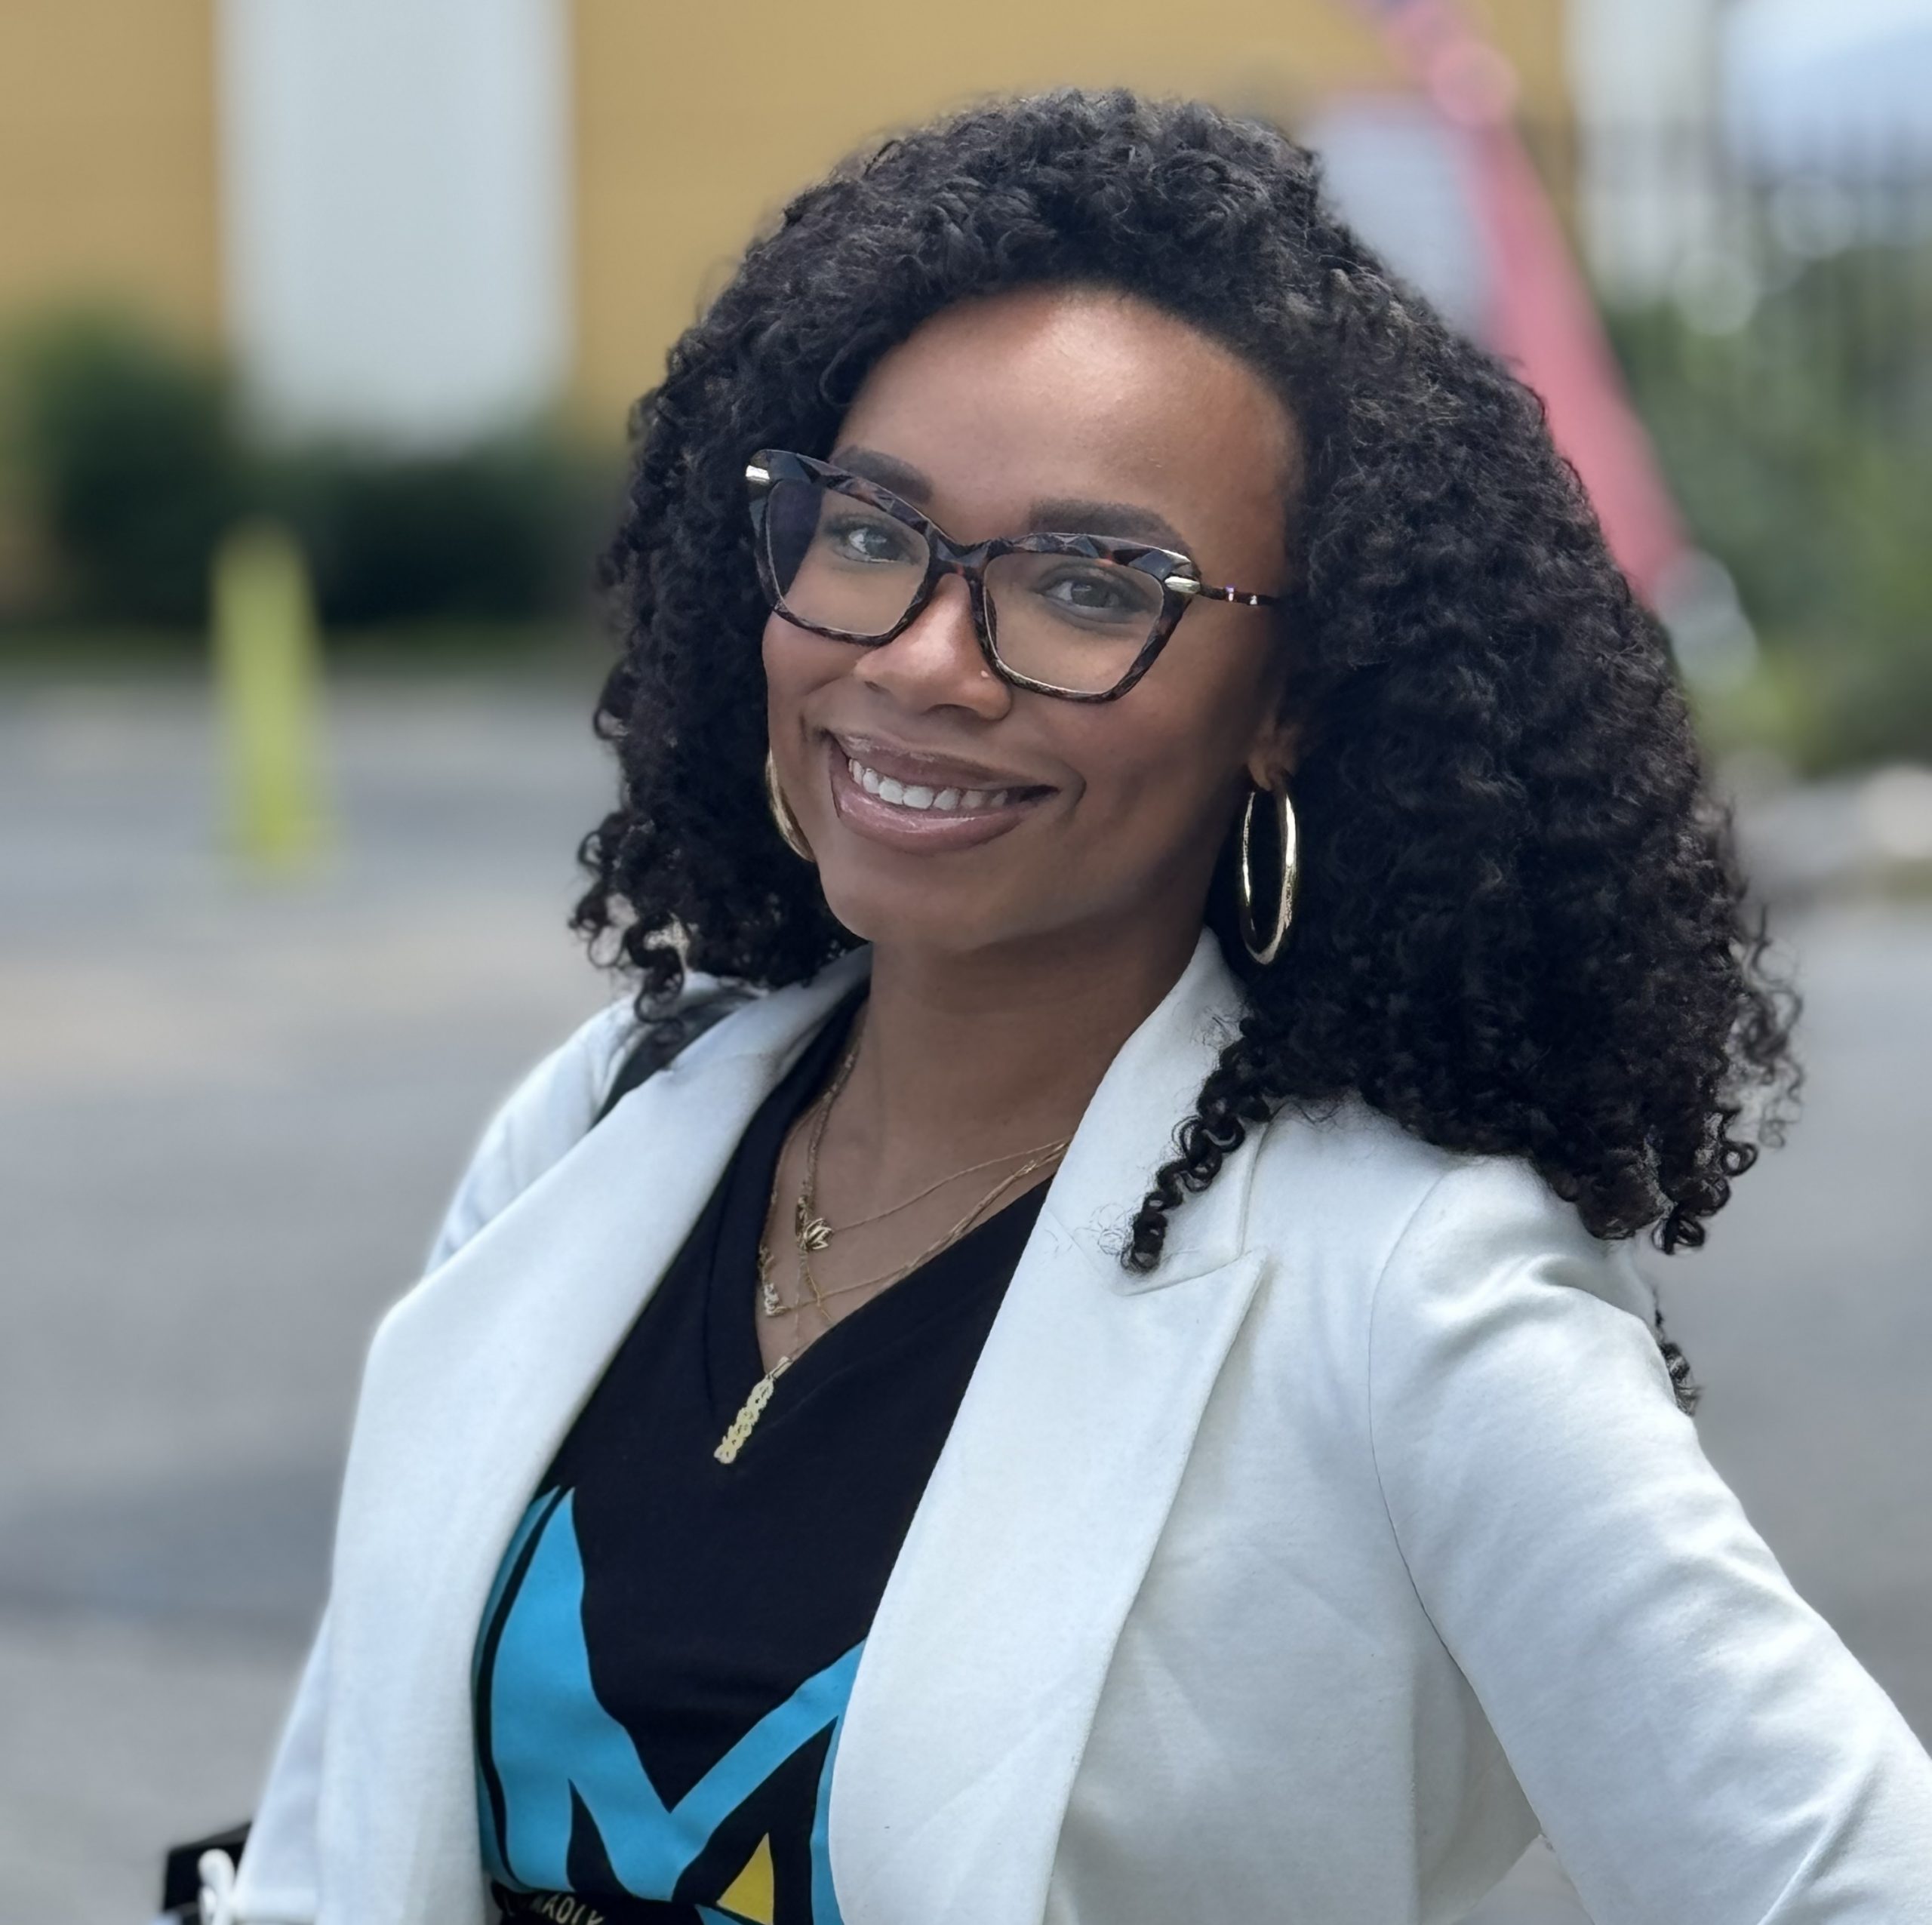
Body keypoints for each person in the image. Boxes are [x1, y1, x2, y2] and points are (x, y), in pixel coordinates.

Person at [220, 90, 1932, 1925]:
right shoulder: (602, 1123)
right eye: (870, 532)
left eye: (1091, 583)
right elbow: (334, 1841)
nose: (925, 660)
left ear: (1290, 698)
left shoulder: (1404, 1296)